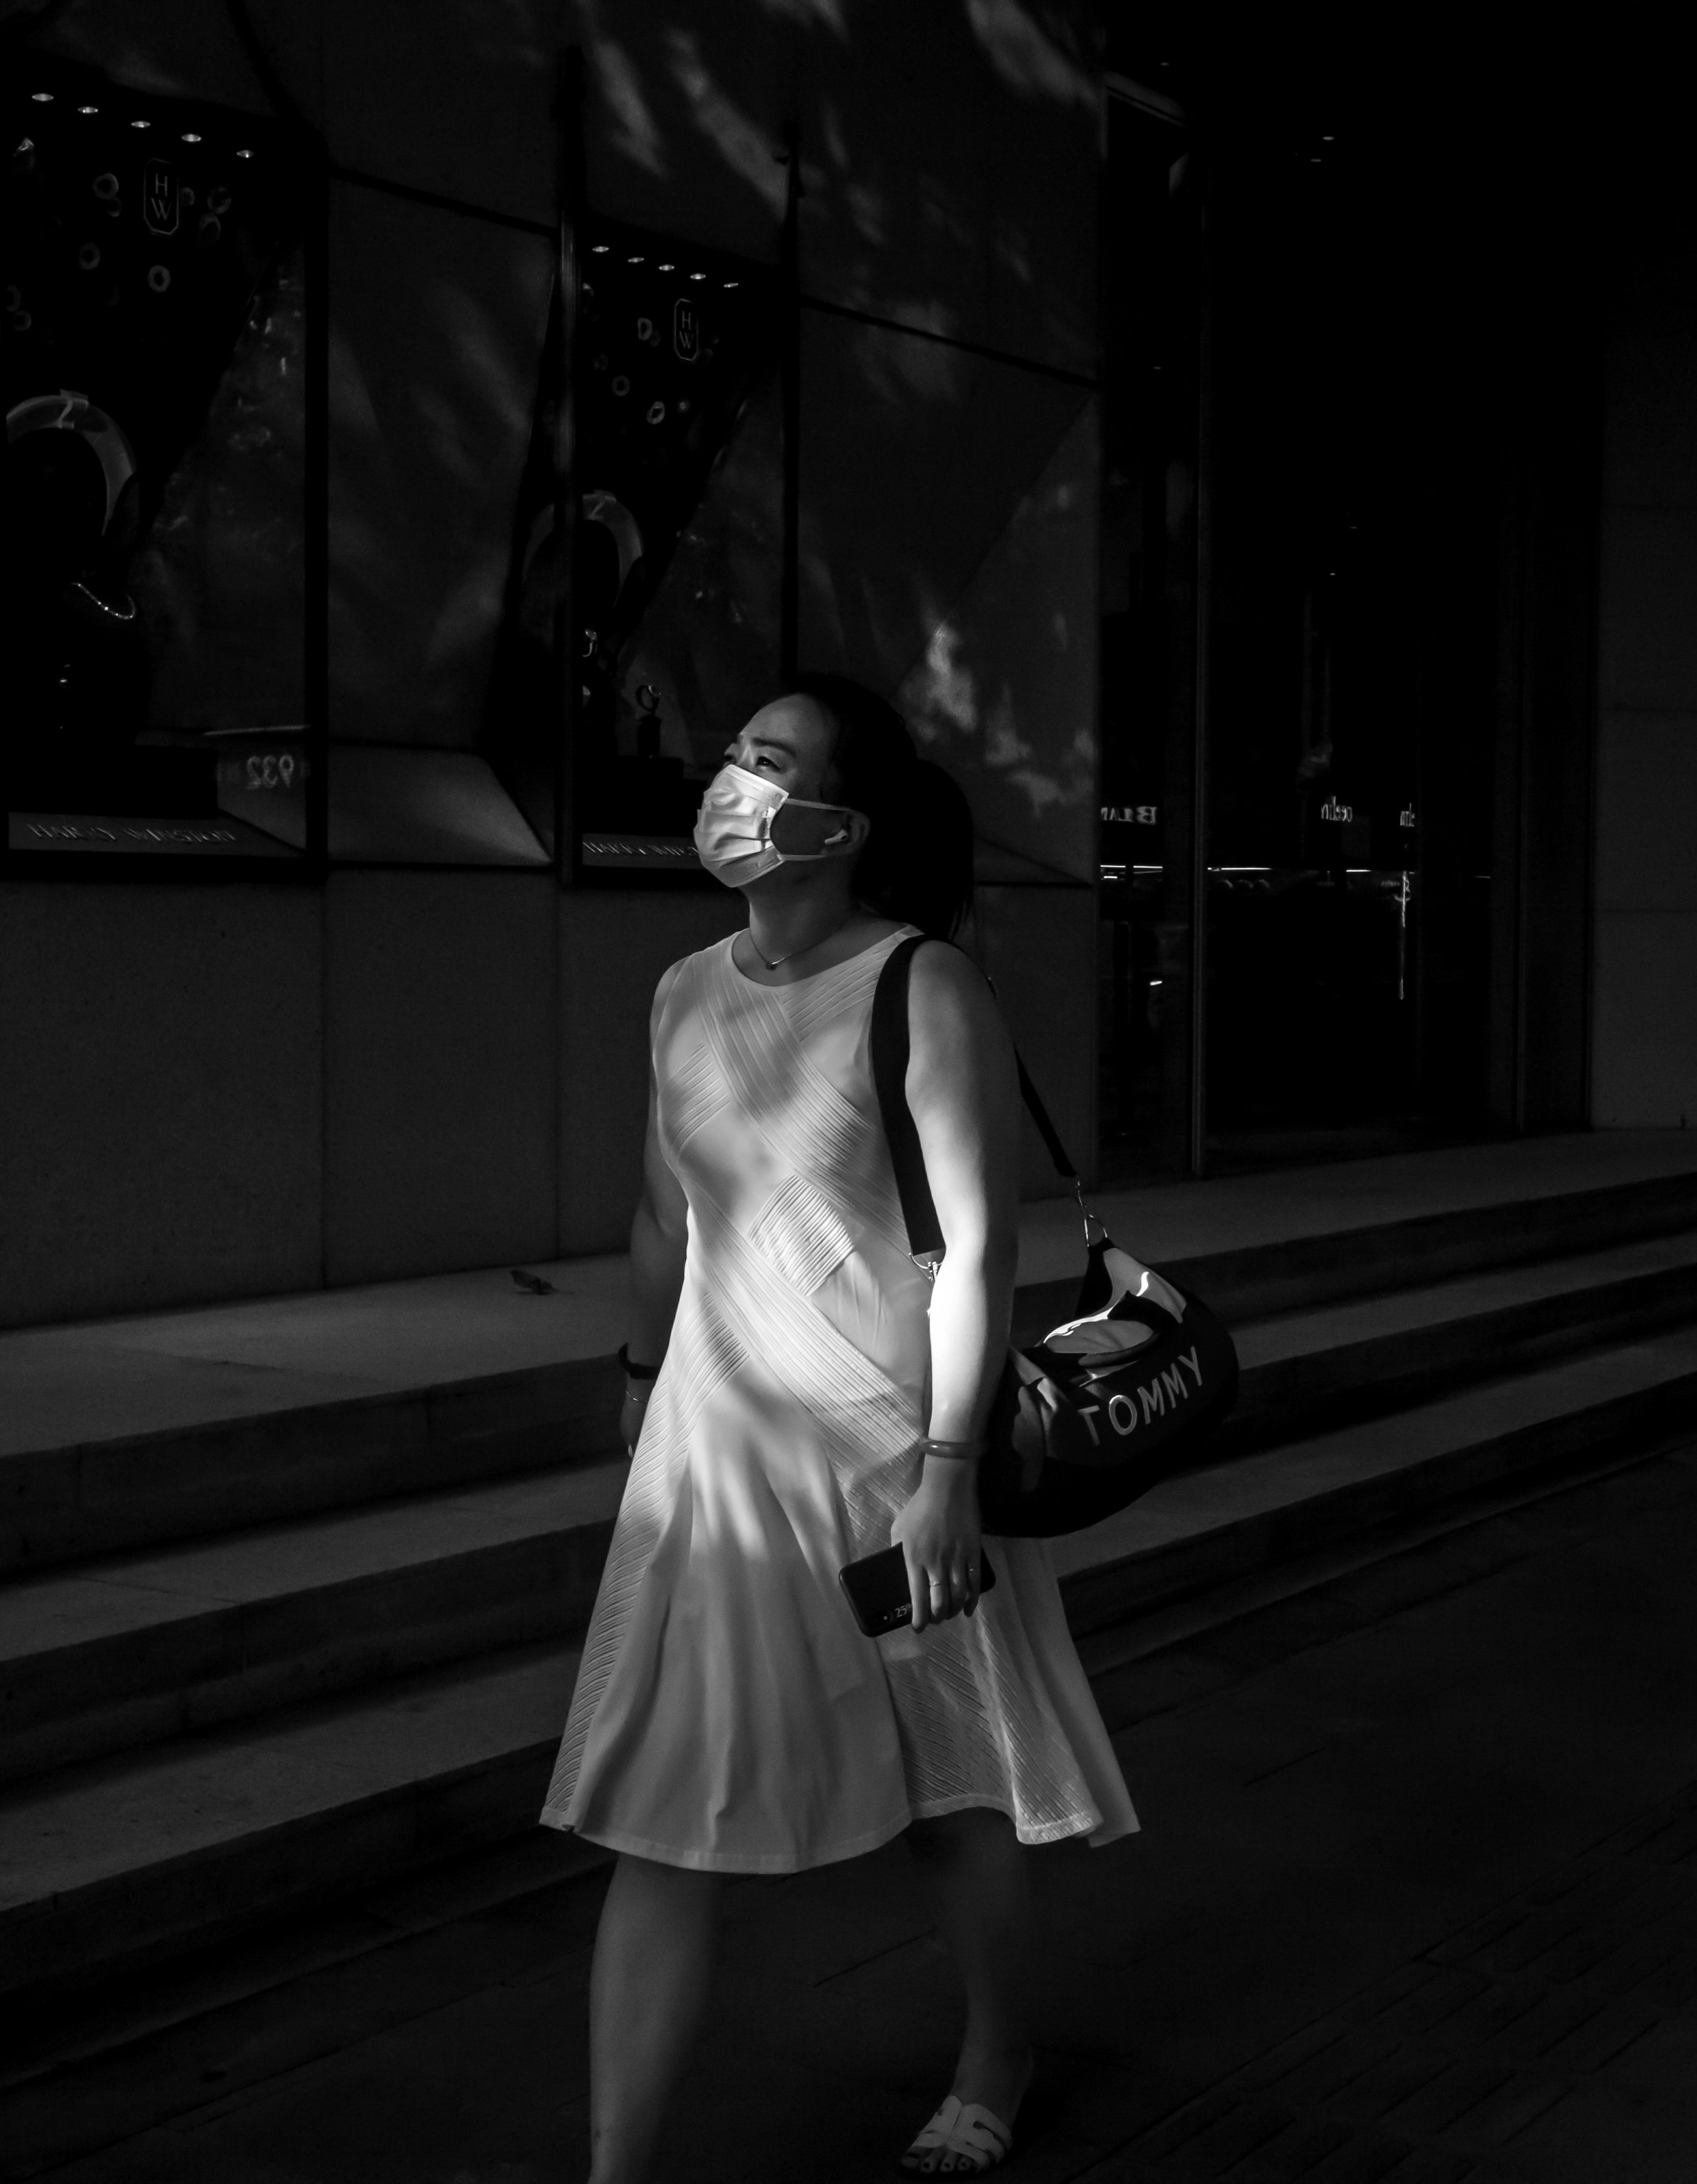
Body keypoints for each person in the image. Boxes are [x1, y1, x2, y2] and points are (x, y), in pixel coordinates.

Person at [540, 674, 1136, 2183]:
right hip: (715, 1467)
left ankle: (998, 2051)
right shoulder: (685, 990)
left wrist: (948, 1470)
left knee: (952, 1793)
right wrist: (635, 1365)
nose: (730, 780)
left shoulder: (921, 986)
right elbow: (662, 1209)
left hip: (889, 1460)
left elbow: (981, 1250)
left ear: (842, 821)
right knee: (657, 1820)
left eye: (769, 761)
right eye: (734, 754)